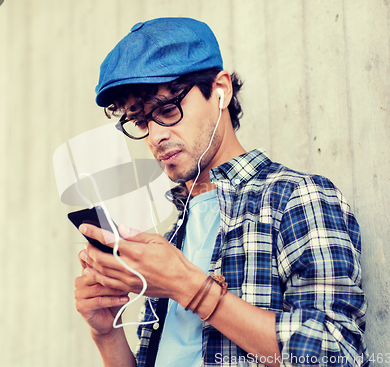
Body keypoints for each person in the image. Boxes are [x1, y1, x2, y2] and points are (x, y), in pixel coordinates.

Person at [74, 17, 368, 367]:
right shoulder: (174, 236)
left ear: (220, 91)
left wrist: (189, 286)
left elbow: (337, 354)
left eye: (168, 110)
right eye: (141, 122)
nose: (155, 137)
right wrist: (108, 336)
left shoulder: (295, 198)